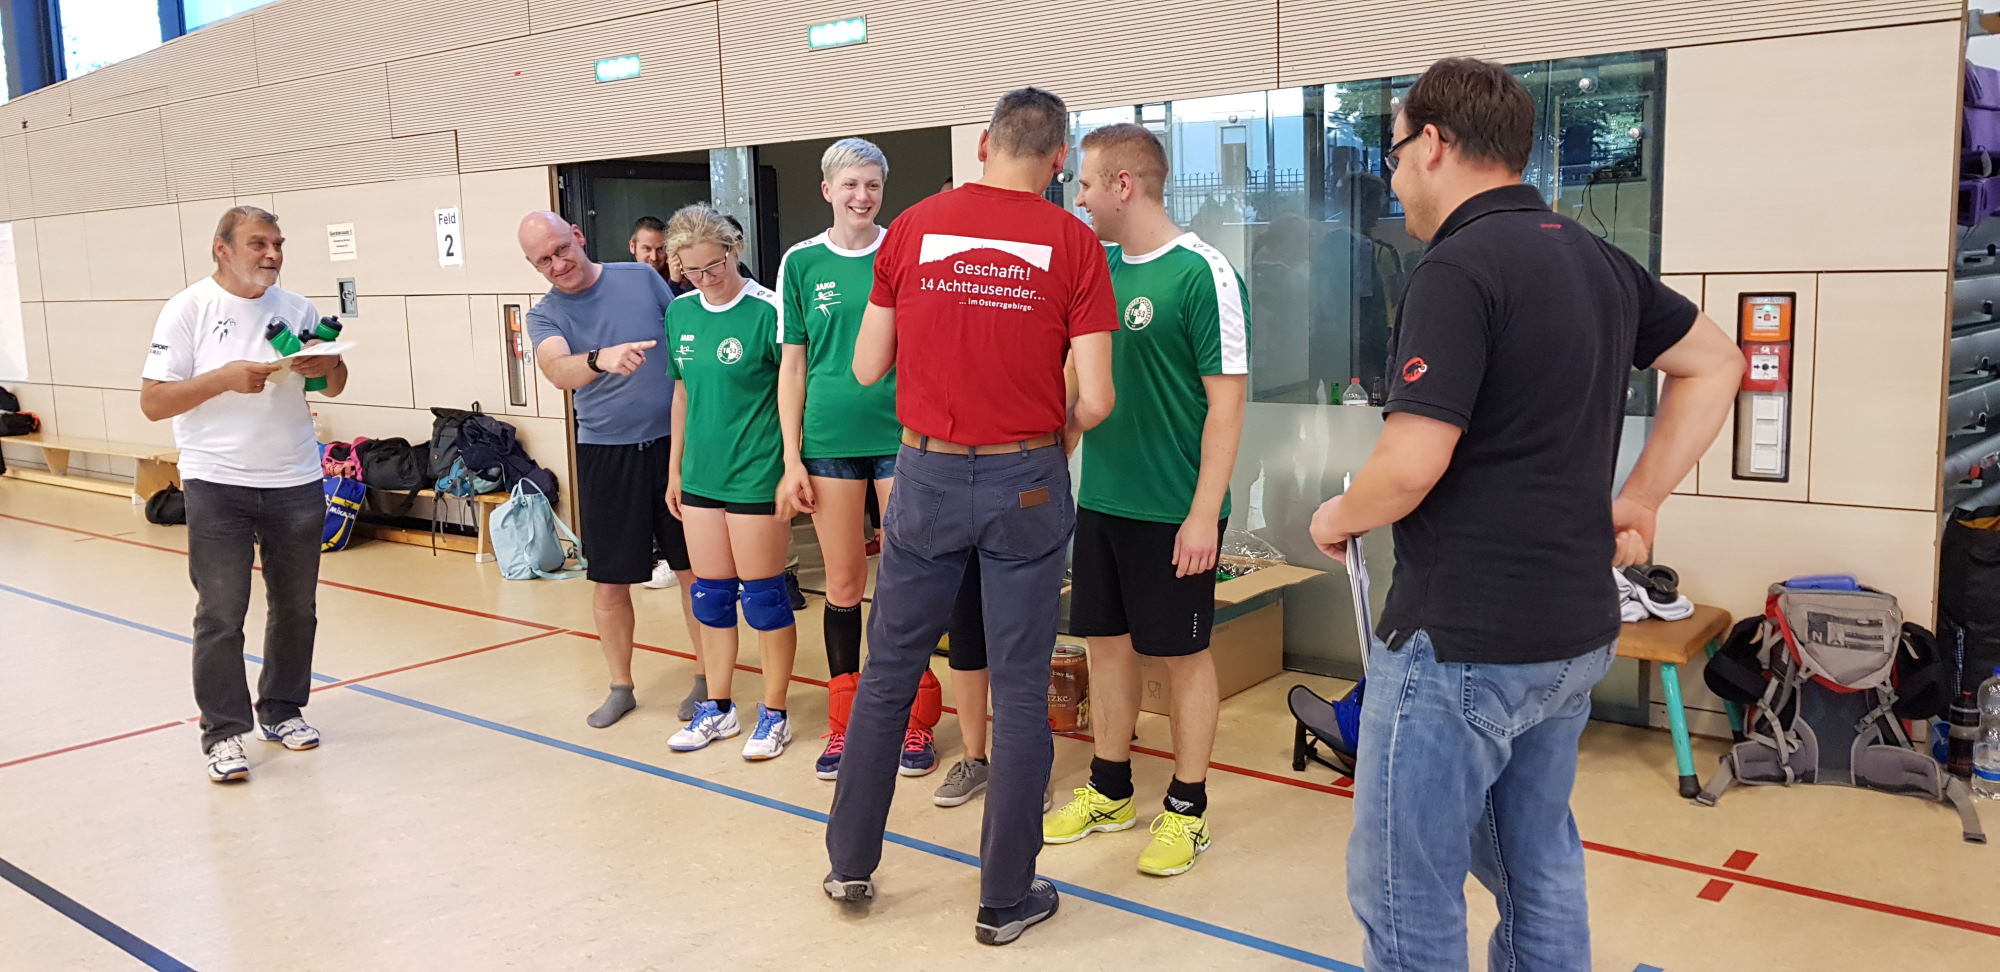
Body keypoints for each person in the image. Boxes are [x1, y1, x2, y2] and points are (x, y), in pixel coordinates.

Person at [1305, 58, 1741, 971]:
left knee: (1405, 890)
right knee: (1535, 863)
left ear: (1433, 143)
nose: (1392, 177)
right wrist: (1640, 497)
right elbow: (1717, 362)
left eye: (1393, 154)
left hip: (1462, 642)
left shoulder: (1455, 269)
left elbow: (1411, 465)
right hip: (1573, 634)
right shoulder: (1595, 258)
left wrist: (1342, 512)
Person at [822, 87, 1118, 947]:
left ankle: (850, 864)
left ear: (985, 144)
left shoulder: (913, 228)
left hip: (926, 473)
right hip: (1028, 474)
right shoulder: (1074, 243)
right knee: (1020, 691)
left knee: (889, 672)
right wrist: (1049, 434)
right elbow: (1098, 396)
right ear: (1059, 160)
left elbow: (868, 365)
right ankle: (1004, 899)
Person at [1048, 123, 1248, 877]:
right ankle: (1109, 790)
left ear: (1123, 185)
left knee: (1183, 655)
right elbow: (1078, 380)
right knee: (1105, 646)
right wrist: (1054, 458)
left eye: (1087, 183)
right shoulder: (1096, 269)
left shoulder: (1204, 274)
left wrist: (1203, 514)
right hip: (1103, 501)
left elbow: (1227, 407)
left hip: (1175, 510)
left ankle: (1188, 809)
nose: (1081, 198)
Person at [139, 205, 350, 783]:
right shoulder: (188, 309)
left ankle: (282, 710)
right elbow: (153, 402)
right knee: (221, 612)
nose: (272, 254)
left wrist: (328, 365)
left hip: (294, 479)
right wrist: (224, 379)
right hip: (217, 482)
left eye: (278, 244)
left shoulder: (298, 308)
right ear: (222, 249)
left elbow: (331, 385)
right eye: (259, 243)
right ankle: (224, 732)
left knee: (297, 608)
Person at [774, 138, 949, 781]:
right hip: (828, 443)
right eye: (850, 184)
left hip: (903, 439)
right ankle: (845, 722)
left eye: (872, 184)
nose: (862, 196)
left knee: (906, 583)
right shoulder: (800, 262)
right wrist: (791, 458)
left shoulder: (905, 249)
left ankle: (914, 717)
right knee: (845, 584)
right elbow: (793, 367)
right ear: (827, 190)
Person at [517, 211, 705, 728]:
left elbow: (688, 333)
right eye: (543, 260)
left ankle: (707, 676)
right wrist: (600, 358)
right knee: (609, 580)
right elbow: (557, 369)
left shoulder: (640, 277)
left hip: (676, 446)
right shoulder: (544, 316)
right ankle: (621, 686)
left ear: (578, 237)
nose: (558, 264)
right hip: (607, 454)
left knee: (693, 570)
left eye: (562, 249)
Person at [662, 204, 801, 760]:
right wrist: (675, 468)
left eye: (713, 266)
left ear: (733, 250)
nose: (705, 279)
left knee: (764, 599)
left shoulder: (769, 310)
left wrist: (792, 465)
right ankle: (717, 708)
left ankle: (775, 713)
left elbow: (794, 389)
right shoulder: (680, 313)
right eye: (691, 271)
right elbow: (681, 393)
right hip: (701, 475)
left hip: (756, 474)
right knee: (711, 598)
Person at [630, 214, 693, 298]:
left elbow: (675, 306)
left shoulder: (685, 277)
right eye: (647, 249)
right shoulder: (623, 280)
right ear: (632, 247)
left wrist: (674, 282)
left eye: (660, 249)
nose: (654, 257)